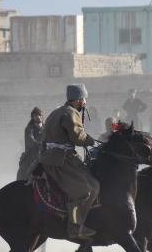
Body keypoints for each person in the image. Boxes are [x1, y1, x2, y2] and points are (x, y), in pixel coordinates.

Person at [40, 84, 99, 239]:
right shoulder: (71, 113)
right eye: (84, 99)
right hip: (61, 160)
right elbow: (77, 137)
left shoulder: (56, 112)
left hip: (53, 157)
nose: (85, 102)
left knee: (93, 185)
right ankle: (75, 228)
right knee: (86, 190)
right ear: (79, 100)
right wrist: (92, 141)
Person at [17, 107, 43, 180]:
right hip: (31, 155)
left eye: (40, 115)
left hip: (43, 154)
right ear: (33, 117)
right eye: (36, 115)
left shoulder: (45, 128)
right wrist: (39, 144)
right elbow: (30, 140)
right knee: (24, 174)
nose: (38, 117)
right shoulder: (29, 129)